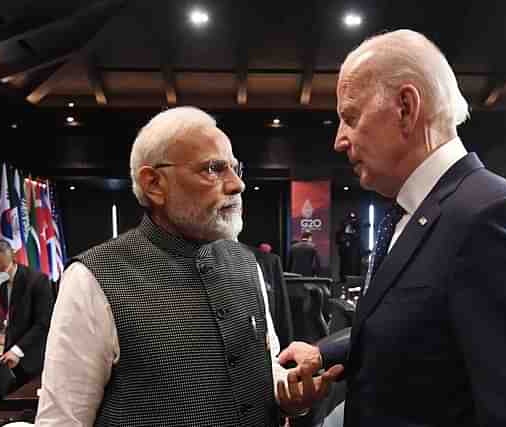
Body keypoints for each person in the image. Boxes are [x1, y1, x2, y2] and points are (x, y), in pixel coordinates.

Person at [279, 30, 506, 427]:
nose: (339, 140)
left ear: (405, 107)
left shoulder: (493, 217)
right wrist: (325, 354)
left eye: (350, 117)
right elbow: (419, 327)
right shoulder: (412, 211)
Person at [36, 107, 341, 426]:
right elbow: (62, 419)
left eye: (236, 169)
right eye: (213, 169)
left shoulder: (246, 263)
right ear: (154, 183)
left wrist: (290, 398)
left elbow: (266, 370)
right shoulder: (93, 279)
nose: (237, 185)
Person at [0, 240, 53, 400]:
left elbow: (43, 323)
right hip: (0, 360)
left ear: (12, 259)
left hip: (28, 361)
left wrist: (17, 350)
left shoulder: (37, 281)